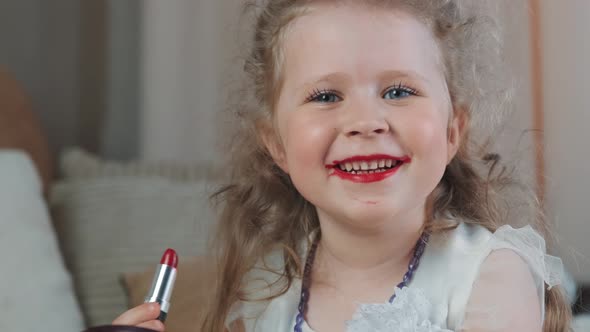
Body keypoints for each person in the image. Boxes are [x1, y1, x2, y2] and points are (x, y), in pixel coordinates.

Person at [114, 0, 573, 331]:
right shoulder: (268, 295)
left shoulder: (493, 275)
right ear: (276, 144)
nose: (365, 122)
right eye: (326, 96)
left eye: (398, 91)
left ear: (453, 130)